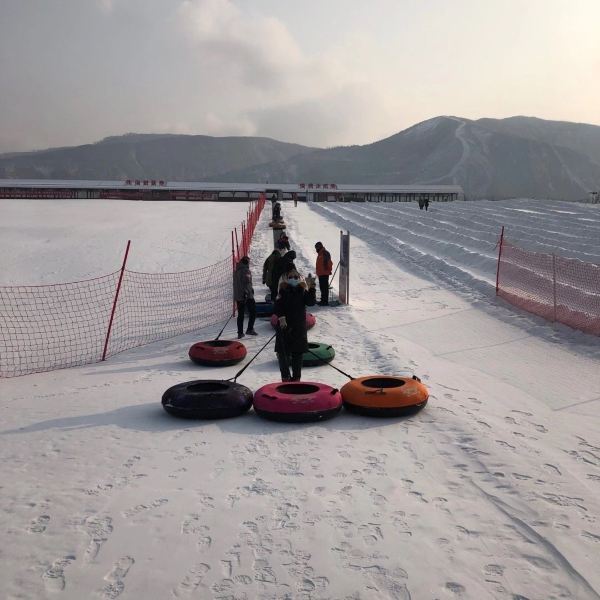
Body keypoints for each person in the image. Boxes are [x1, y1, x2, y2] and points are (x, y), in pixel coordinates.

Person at [274, 269, 316, 381]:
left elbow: (311, 302)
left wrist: (312, 287)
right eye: (291, 276)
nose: (293, 279)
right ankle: (285, 377)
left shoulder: (302, 290)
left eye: (296, 277)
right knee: (283, 353)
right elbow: (278, 306)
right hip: (284, 326)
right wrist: (281, 318)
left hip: (298, 327)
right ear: (287, 278)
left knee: (298, 354)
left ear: (299, 279)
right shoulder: (282, 290)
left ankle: (296, 378)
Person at [233, 256, 257, 339]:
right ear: (246, 262)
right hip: (247, 295)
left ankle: (240, 333)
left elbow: (236, 285)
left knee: (241, 315)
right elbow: (247, 283)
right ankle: (250, 329)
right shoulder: (246, 271)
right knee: (253, 312)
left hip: (239, 296)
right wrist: (248, 292)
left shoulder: (236, 271)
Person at [314, 241, 333, 306]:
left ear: (319, 247)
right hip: (321, 273)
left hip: (324, 273)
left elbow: (329, 263)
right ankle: (323, 300)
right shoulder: (320, 253)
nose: (316, 249)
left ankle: (325, 301)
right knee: (322, 287)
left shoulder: (325, 253)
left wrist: (328, 270)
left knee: (324, 288)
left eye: (316, 248)